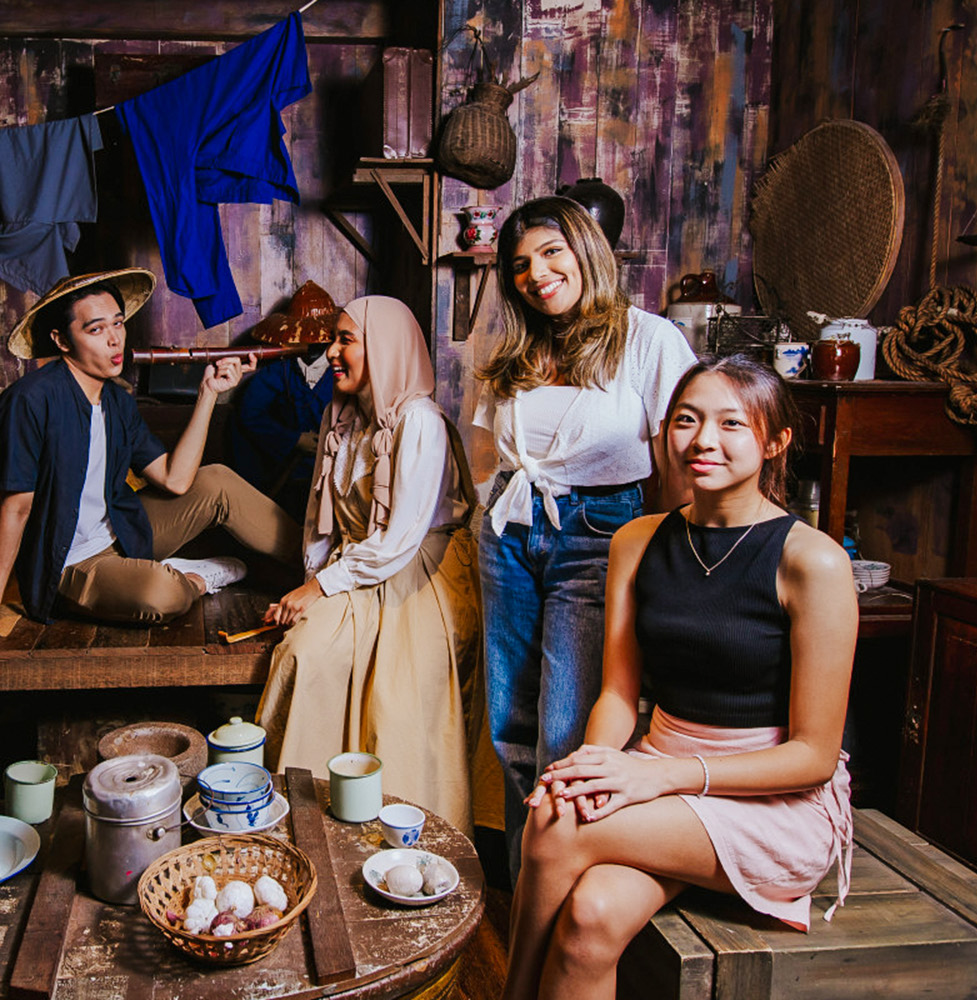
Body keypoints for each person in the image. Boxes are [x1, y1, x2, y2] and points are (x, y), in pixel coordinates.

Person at [502, 355, 857, 1000]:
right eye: (687, 421)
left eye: (732, 424)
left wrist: (657, 776)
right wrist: (591, 764)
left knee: (554, 822)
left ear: (775, 442)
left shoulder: (813, 561)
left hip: (770, 800)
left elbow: (813, 757)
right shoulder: (636, 540)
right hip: (661, 772)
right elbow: (617, 693)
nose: (703, 441)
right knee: (591, 917)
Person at [474, 196, 696, 876]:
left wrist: (672, 554)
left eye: (549, 253)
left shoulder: (647, 339)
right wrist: (489, 508)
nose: (535, 274)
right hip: (510, 530)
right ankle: (525, 878)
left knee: (569, 724)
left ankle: (566, 880)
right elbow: (485, 446)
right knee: (508, 721)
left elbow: (680, 459)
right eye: (519, 266)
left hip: (602, 532)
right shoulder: (516, 348)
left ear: (584, 249)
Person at [0, 268, 300, 634]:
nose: (115, 338)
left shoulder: (117, 401)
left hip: (125, 530)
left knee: (217, 480)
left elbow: (176, 479)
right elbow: (16, 507)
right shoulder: (30, 401)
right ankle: (195, 577)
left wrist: (209, 393)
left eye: (117, 323)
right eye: (96, 329)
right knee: (161, 593)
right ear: (62, 340)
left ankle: (323, 565)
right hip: (70, 562)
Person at [255, 295, 479, 830]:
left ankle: (401, 824)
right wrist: (311, 581)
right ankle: (299, 816)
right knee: (301, 656)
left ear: (384, 348)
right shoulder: (343, 414)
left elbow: (401, 537)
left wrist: (323, 586)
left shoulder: (420, 423)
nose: (331, 351)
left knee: (398, 705)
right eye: (335, 338)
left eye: (345, 340)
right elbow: (319, 514)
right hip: (355, 563)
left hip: (414, 571)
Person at [228, 280, 338, 521]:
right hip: (287, 474)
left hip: (334, 475)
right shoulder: (279, 371)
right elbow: (249, 413)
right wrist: (295, 440)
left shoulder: (340, 370)